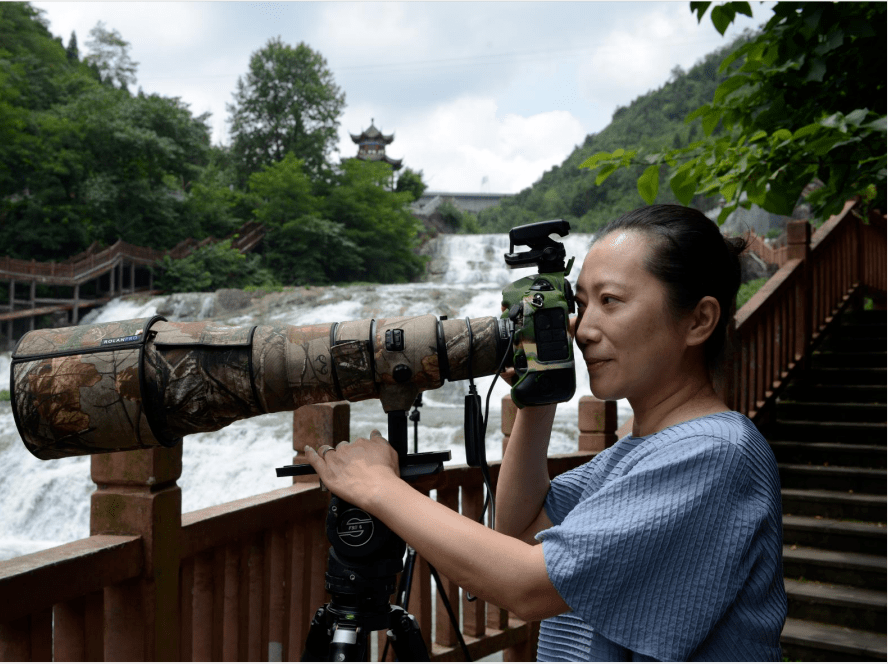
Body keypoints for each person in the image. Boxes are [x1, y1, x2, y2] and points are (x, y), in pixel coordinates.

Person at [305, 205, 787, 661]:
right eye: (579, 304)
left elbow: (528, 585)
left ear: (699, 320)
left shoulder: (714, 453)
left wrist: (378, 488)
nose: (583, 329)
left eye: (611, 302)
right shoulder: (640, 449)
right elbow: (520, 529)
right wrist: (539, 397)